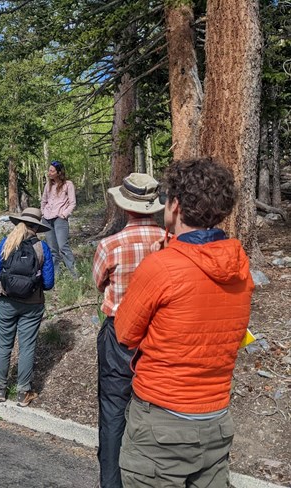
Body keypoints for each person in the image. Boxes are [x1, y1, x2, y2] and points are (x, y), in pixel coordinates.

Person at [115, 158, 254, 487]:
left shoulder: (161, 267)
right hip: (216, 420)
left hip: (162, 424)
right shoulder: (239, 264)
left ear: (175, 205)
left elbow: (125, 332)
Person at [92, 173, 165, 488]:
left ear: (125, 207)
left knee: (112, 410)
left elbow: (99, 283)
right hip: (159, 335)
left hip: (119, 334)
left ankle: (112, 481)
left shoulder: (110, 244)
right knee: (157, 409)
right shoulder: (169, 242)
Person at [0, 208, 54, 407]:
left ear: (19, 223)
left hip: (6, 301)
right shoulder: (42, 248)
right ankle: (23, 392)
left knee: (3, 345)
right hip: (32, 305)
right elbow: (49, 283)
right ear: (37, 227)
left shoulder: (7, 242)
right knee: (27, 347)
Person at [40, 160, 78, 279]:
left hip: (60, 219)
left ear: (59, 172)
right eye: (49, 170)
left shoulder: (68, 185)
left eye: (52, 171)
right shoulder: (48, 185)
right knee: (52, 249)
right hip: (47, 218)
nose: (49, 173)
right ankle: (55, 275)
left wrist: (64, 214)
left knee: (63, 246)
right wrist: (43, 212)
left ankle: (75, 274)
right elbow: (43, 200)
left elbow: (73, 203)